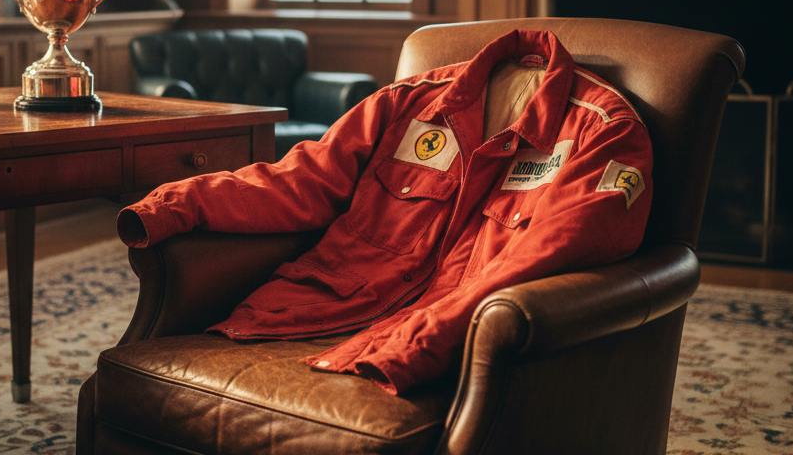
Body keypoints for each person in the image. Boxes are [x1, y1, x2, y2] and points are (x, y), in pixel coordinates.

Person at [118, 28, 652, 396]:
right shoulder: (409, 102)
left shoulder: (604, 133)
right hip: (312, 310)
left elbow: (546, 255)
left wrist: (423, 338)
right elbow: (300, 179)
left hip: (452, 343)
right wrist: (172, 205)